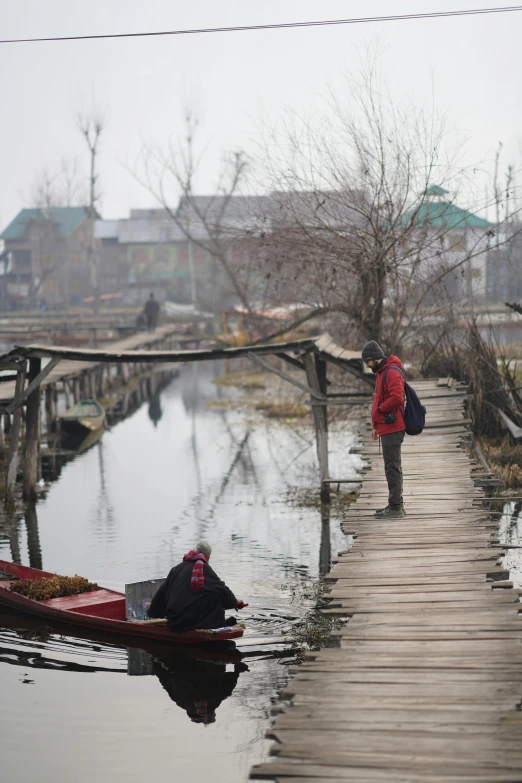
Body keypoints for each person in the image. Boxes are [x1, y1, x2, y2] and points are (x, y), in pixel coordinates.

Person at [147, 541, 248, 632]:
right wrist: (234, 603)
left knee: (210, 592)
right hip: (194, 621)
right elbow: (222, 590)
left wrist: (153, 613)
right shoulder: (205, 569)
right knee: (215, 594)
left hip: (175, 620)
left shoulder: (176, 569)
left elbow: (162, 593)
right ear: (208, 558)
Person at [362, 340, 406, 518]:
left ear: (374, 358)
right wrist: (375, 426)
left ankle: (396, 508)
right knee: (391, 467)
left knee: (392, 467)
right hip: (386, 427)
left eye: (367, 361)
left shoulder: (391, 373)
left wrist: (380, 411)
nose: (366, 365)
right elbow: (378, 399)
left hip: (393, 427)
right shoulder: (380, 373)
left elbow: (397, 398)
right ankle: (394, 505)